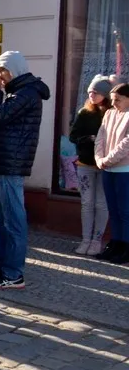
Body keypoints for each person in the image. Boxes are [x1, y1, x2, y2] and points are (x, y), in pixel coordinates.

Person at [0, 51, 51, 289]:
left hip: (13, 164)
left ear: (14, 69)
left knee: (13, 221)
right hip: (4, 163)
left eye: (1, 70)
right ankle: (2, 265)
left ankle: (13, 274)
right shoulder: (17, 91)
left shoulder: (26, 92)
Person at [70, 75, 113, 256]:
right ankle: (85, 240)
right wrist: (87, 139)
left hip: (105, 164)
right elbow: (73, 136)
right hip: (85, 163)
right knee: (87, 203)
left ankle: (97, 241)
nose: (91, 95)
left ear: (105, 95)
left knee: (101, 204)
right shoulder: (84, 113)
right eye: (89, 92)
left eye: (96, 92)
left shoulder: (112, 113)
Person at [96, 83, 129, 264]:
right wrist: (99, 158)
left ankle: (126, 246)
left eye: (118, 100)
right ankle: (115, 243)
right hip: (107, 168)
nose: (114, 103)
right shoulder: (109, 114)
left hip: (124, 169)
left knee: (125, 210)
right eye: (113, 99)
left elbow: (126, 144)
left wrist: (107, 160)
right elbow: (100, 137)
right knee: (113, 210)